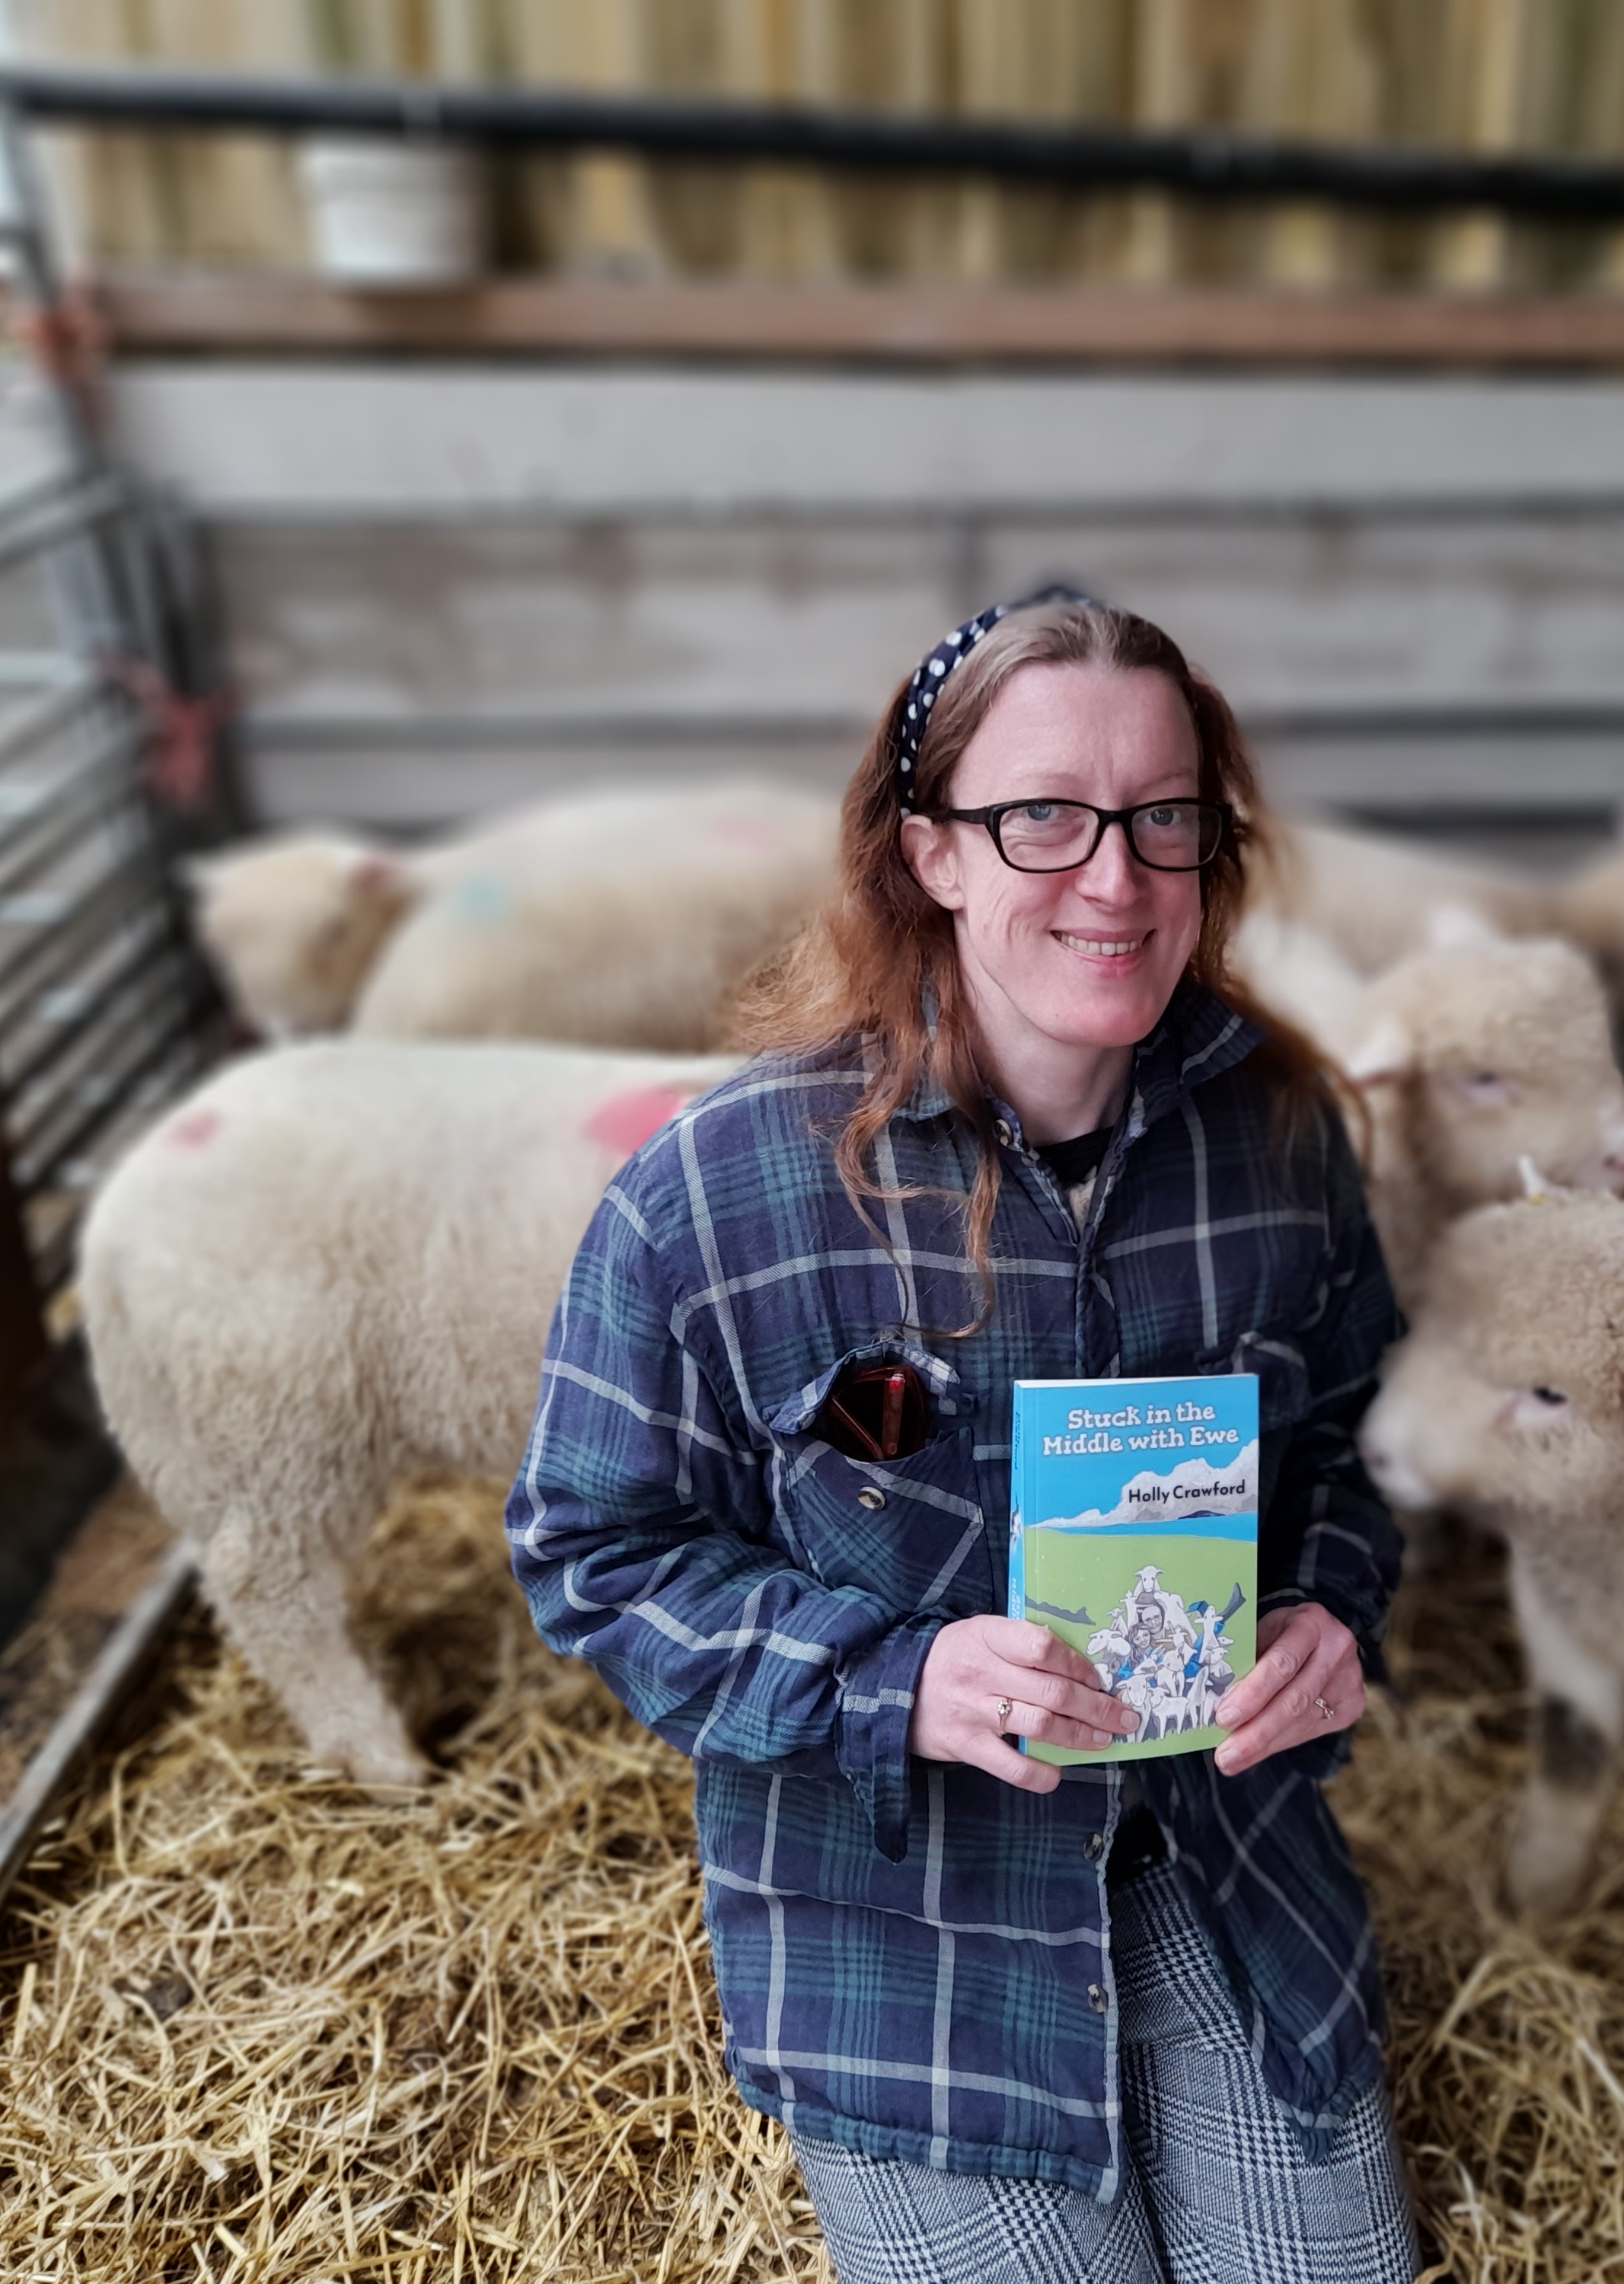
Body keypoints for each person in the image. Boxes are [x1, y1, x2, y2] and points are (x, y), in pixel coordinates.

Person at [506, 592, 1418, 2283]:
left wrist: (1326, 1614)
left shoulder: (1278, 1137)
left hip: (1213, 1857)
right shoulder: (716, 1195)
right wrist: (892, 1681)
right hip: (906, 1931)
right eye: (1041, 819)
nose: (1116, 877)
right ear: (928, 853)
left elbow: (1362, 1434)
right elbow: (591, 1552)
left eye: (1165, 819)